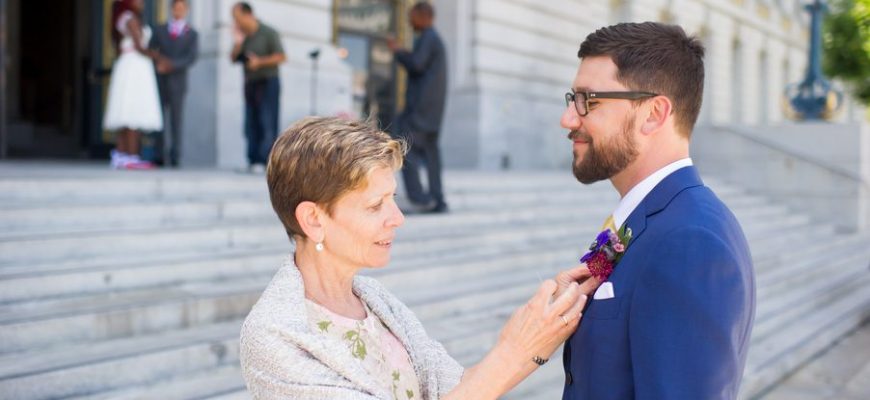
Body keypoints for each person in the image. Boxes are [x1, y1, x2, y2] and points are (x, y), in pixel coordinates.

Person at [239, 116, 599, 399]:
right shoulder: (274, 334)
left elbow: (460, 388)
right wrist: (514, 351)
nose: (397, 218)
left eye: (392, 198)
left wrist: (544, 321)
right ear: (313, 220)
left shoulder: (376, 301)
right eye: (375, 205)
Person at [558, 22, 756, 399]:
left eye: (588, 100)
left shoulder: (691, 242)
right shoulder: (650, 218)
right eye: (571, 98)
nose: (568, 119)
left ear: (653, 114)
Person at [387, 2, 448, 213]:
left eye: (411, 16)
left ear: (423, 16)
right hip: (432, 111)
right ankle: (437, 199)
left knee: (405, 147)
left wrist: (397, 51)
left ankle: (420, 198)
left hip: (420, 110)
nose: (408, 20)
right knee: (431, 155)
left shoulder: (429, 38)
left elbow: (416, 64)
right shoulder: (434, 39)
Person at [103, 0, 163, 170]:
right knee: (132, 111)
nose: (142, 2)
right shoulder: (130, 19)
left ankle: (121, 155)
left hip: (130, 65)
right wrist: (159, 57)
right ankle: (132, 156)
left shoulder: (124, 17)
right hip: (134, 67)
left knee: (126, 112)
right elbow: (139, 46)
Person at [230, 2, 286, 173]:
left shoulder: (268, 32)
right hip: (250, 84)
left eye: (237, 18)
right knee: (250, 122)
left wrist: (259, 62)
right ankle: (253, 160)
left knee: (267, 121)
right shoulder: (244, 37)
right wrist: (238, 41)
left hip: (268, 82)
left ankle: (266, 162)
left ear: (248, 15)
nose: (235, 22)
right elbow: (233, 58)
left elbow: (281, 56)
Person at [149, 0, 198, 168]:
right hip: (160, 80)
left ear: (186, 10)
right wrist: (158, 64)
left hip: (178, 82)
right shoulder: (159, 29)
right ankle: (158, 155)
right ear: (171, 9)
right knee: (159, 120)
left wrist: (171, 65)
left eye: (181, 8)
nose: (178, 11)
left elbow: (191, 57)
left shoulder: (192, 34)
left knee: (176, 120)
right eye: (176, 8)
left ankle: (176, 155)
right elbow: (151, 50)